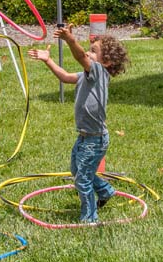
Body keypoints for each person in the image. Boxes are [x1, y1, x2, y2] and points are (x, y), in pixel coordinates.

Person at [28, 26, 130, 223]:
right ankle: (106, 191)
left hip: (95, 139)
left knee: (82, 179)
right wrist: (48, 60)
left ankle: (89, 218)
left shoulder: (99, 72)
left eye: (94, 51)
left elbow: (80, 56)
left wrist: (69, 39)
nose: (88, 53)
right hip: (84, 136)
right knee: (78, 172)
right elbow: (65, 77)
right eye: (89, 49)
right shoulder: (88, 74)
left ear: (106, 61)